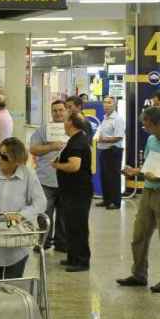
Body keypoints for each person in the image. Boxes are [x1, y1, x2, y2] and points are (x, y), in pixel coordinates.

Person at [119, 107, 160, 292]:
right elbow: (148, 165)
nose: (145, 128)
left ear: (159, 124)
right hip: (148, 192)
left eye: (148, 125)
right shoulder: (151, 139)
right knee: (138, 236)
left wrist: (155, 175)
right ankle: (139, 274)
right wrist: (137, 171)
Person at [0, 137, 47, 278]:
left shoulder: (28, 175)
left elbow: (40, 203)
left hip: (16, 236)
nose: (0, 159)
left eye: (4, 156)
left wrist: (21, 215)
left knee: (12, 287)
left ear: (17, 160)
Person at [52, 113, 94, 272]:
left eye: (65, 120)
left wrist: (58, 166)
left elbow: (74, 165)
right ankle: (73, 256)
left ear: (71, 123)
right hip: (70, 191)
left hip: (78, 192)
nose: (63, 123)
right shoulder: (75, 139)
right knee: (70, 225)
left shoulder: (78, 141)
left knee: (78, 226)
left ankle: (81, 261)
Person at [30, 99, 68, 252]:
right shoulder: (43, 130)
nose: (58, 113)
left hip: (66, 179)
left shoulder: (72, 129)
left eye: (61, 110)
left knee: (64, 215)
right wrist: (51, 146)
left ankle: (62, 243)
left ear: (66, 111)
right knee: (44, 213)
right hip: (46, 179)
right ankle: (43, 241)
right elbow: (33, 149)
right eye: (55, 111)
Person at [95, 96, 125, 210]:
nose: (106, 105)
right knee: (105, 177)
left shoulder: (118, 119)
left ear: (114, 104)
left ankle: (115, 202)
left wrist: (104, 140)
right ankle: (107, 200)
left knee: (113, 177)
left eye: (109, 103)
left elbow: (119, 137)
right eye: (105, 102)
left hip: (113, 151)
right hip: (103, 150)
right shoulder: (105, 118)